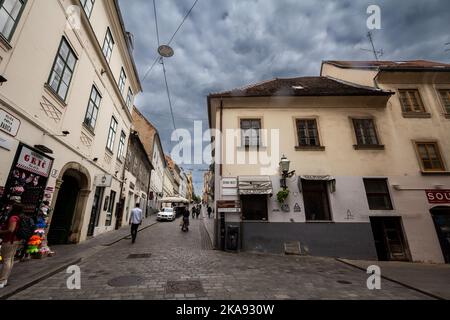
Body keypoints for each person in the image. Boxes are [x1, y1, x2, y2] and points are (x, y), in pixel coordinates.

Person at [0, 204, 24, 288]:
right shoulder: (19, 217)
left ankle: (2, 280)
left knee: (6, 259)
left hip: (9, 241)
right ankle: (5, 278)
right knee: (10, 259)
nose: (9, 207)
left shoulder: (13, 218)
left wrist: (1, 231)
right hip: (15, 240)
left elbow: (11, 230)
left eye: (11, 206)